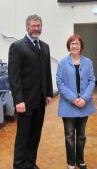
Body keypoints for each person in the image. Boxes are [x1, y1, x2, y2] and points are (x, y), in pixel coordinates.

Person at [8, 14, 53, 169]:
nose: (36, 28)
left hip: (40, 101)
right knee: (23, 136)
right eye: (33, 25)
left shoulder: (45, 46)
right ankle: (19, 165)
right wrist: (18, 100)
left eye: (38, 25)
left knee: (35, 136)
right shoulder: (17, 46)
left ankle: (30, 163)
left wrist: (48, 93)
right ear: (27, 26)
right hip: (24, 102)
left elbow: (47, 72)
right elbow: (14, 77)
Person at [56, 34, 96, 169]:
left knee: (81, 135)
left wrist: (84, 98)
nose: (74, 46)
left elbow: (92, 81)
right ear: (69, 46)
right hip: (68, 104)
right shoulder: (62, 62)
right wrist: (74, 99)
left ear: (81, 46)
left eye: (77, 43)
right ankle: (71, 163)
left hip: (84, 104)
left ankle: (80, 160)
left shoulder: (88, 62)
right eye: (72, 43)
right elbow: (60, 83)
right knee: (69, 135)